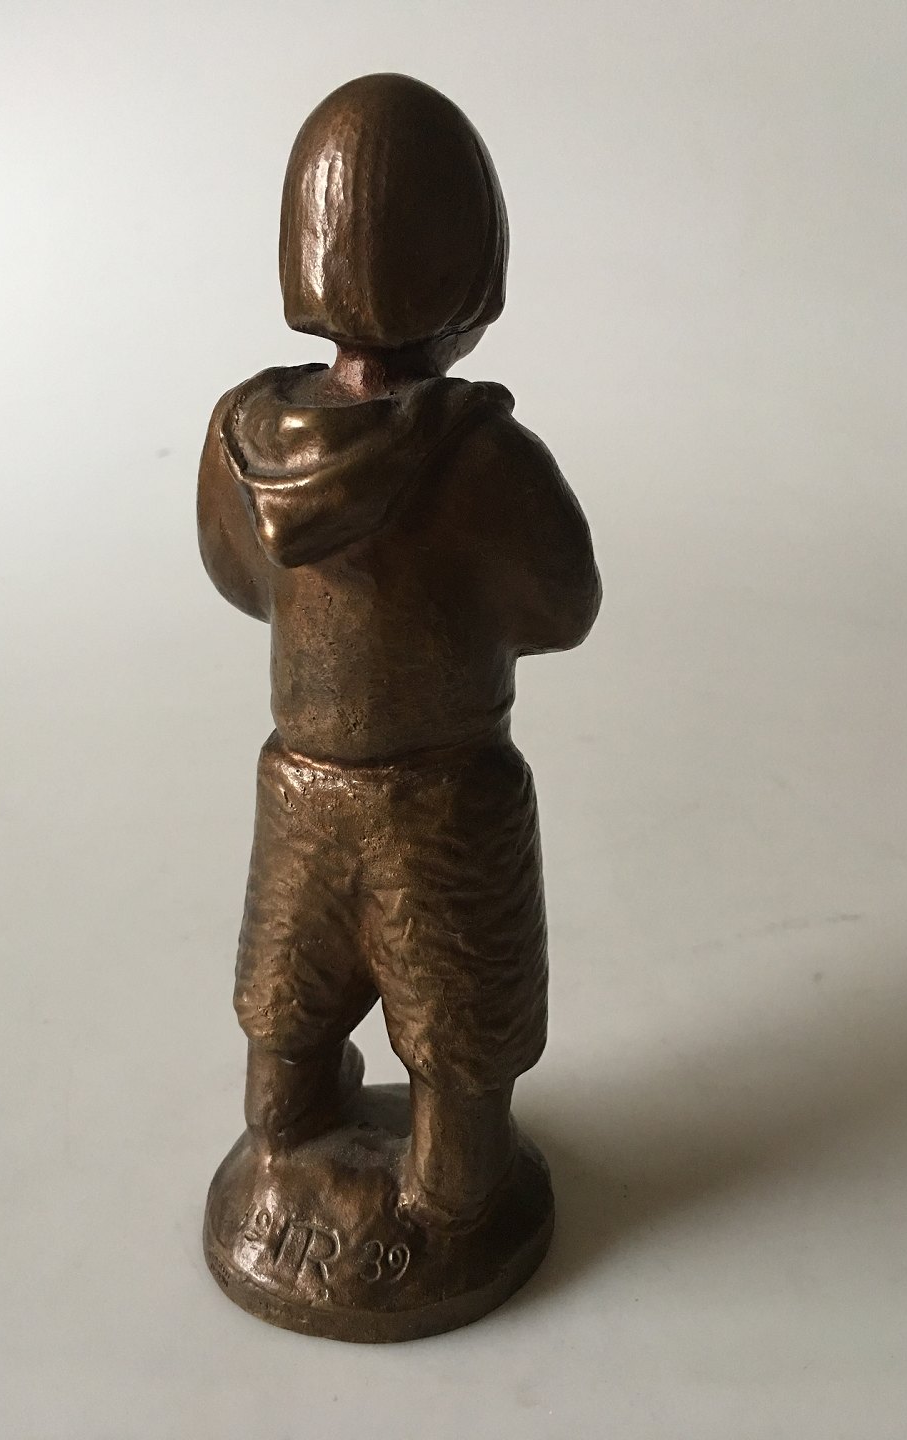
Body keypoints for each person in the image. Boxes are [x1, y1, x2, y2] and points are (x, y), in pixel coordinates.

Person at [198, 73, 601, 1233]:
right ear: (469, 274)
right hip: (445, 792)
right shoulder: (483, 458)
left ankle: (282, 1162)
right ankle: (456, 1203)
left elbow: (237, 577)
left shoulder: (244, 439)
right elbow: (563, 607)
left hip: (302, 783)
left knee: (289, 1018)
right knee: (464, 1039)